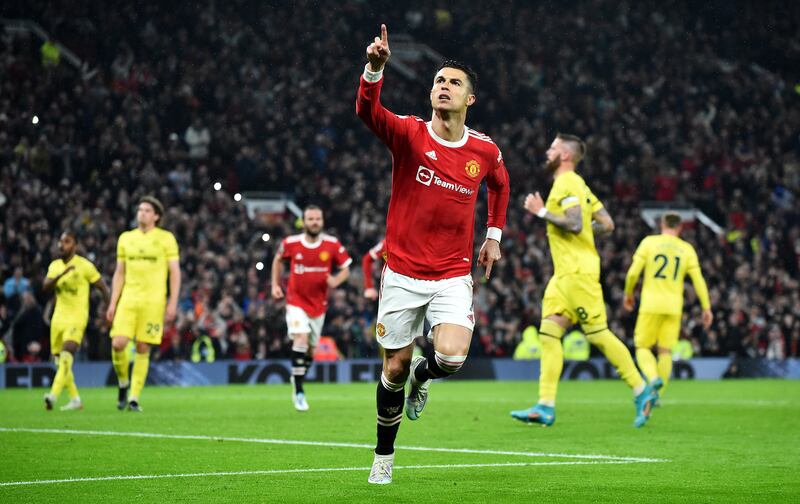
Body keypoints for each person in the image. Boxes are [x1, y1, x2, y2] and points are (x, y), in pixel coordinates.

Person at [357, 24, 510, 484]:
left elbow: (500, 186)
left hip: (450, 274)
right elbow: (368, 112)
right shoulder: (408, 134)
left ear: (470, 100)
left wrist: (494, 234)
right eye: (439, 81)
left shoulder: (483, 150)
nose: (443, 87)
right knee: (393, 367)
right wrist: (374, 69)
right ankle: (384, 455)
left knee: (451, 357)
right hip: (402, 273)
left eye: (454, 82)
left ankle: (426, 379)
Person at [510, 133, 656, 428]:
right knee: (549, 334)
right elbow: (607, 224)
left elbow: (575, 223)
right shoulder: (582, 186)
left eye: (552, 148)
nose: (547, 152)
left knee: (598, 334)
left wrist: (541, 212)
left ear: (565, 154)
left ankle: (642, 389)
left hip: (578, 273)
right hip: (563, 275)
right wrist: (583, 232)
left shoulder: (567, 183)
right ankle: (545, 405)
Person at [623, 212, 712, 400]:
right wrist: (706, 307)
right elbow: (698, 281)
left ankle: (653, 378)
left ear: (662, 224)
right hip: (674, 306)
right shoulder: (686, 249)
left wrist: (628, 293)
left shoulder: (649, 242)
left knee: (642, 347)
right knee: (665, 351)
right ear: (680, 227)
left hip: (651, 304)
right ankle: (657, 395)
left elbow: (632, 274)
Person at [271, 205, 352, 411]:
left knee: (310, 352)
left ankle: (296, 376)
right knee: (301, 337)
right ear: (303, 222)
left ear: (322, 221)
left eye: (318, 219)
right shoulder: (291, 243)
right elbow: (277, 259)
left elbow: (346, 268)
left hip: (318, 305)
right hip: (296, 301)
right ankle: (299, 391)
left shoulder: (332, 245)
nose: (314, 222)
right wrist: (274, 285)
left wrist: (335, 280)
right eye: (310, 219)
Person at [106, 196, 181, 412]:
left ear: (156, 216)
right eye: (140, 209)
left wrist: (172, 303)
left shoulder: (166, 239)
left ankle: (134, 397)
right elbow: (119, 273)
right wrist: (113, 302)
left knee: (142, 346)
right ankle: (123, 383)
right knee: (118, 343)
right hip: (129, 299)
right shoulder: (126, 238)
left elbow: (174, 272)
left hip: (154, 301)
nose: (142, 213)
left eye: (147, 210)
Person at [43, 231, 109, 411]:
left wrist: (110, 309)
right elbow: (45, 287)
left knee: (67, 354)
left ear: (75, 245)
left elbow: (103, 287)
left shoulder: (84, 266)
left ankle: (53, 395)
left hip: (77, 317)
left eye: (67, 241)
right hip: (58, 318)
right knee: (60, 361)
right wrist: (62, 274)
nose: (61, 245)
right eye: (60, 241)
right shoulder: (55, 266)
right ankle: (75, 399)